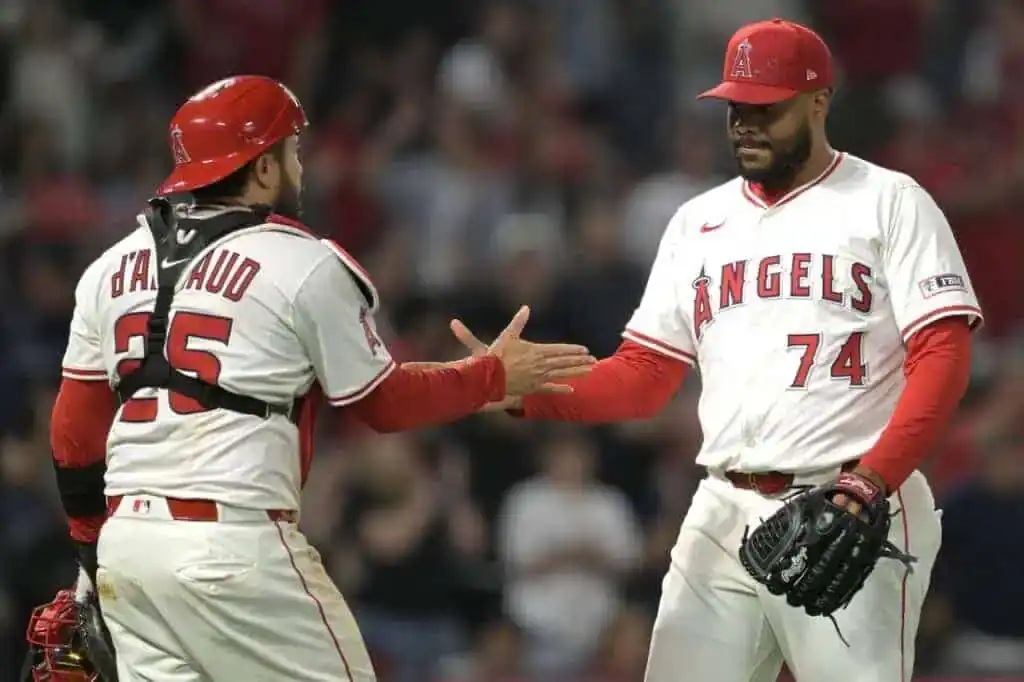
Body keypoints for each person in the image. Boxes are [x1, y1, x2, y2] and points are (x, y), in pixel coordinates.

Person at [452, 19, 981, 682]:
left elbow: (942, 355)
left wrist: (869, 483)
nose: (745, 125)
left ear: (819, 103)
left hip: (848, 499)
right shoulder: (697, 222)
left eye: (767, 108)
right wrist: (523, 395)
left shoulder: (889, 202)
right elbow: (645, 376)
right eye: (736, 108)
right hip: (723, 508)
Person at [34, 75, 595, 682]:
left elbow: (74, 433)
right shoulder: (300, 261)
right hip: (234, 545)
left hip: (130, 550)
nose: (298, 164)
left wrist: (91, 556)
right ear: (262, 165)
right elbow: (384, 402)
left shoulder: (108, 268)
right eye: (290, 150)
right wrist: (488, 375)